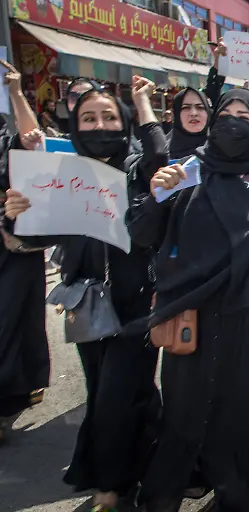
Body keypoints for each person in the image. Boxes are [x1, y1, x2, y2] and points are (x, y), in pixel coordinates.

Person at [131, 88, 249, 511]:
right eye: (226, 114)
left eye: (245, 116)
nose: (234, 123)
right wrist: (156, 196)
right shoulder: (186, 175)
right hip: (195, 320)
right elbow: (142, 236)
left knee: (248, 420)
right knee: (184, 415)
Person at [4, 76, 166, 511]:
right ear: (75, 125)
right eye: (89, 118)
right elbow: (35, 236)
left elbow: (159, 154)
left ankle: (111, 486)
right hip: (86, 303)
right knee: (116, 391)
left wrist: (142, 101)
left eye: (109, 117)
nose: (99, 126)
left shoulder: (140, 170)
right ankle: (157, 463)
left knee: (116, 394)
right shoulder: (62, 175)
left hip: (139, 303)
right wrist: (15, 216)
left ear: (124, 122)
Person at [0, 60, 50, 446]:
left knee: (10, 327)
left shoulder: (6, 135)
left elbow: (31, 144)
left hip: (11, 247)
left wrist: (17, 92)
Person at [166, 88, 211, 161]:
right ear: (176, 114)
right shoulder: (161, 153)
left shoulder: (221, 151)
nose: (194, 113)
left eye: (200, 107)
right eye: (186, 107)